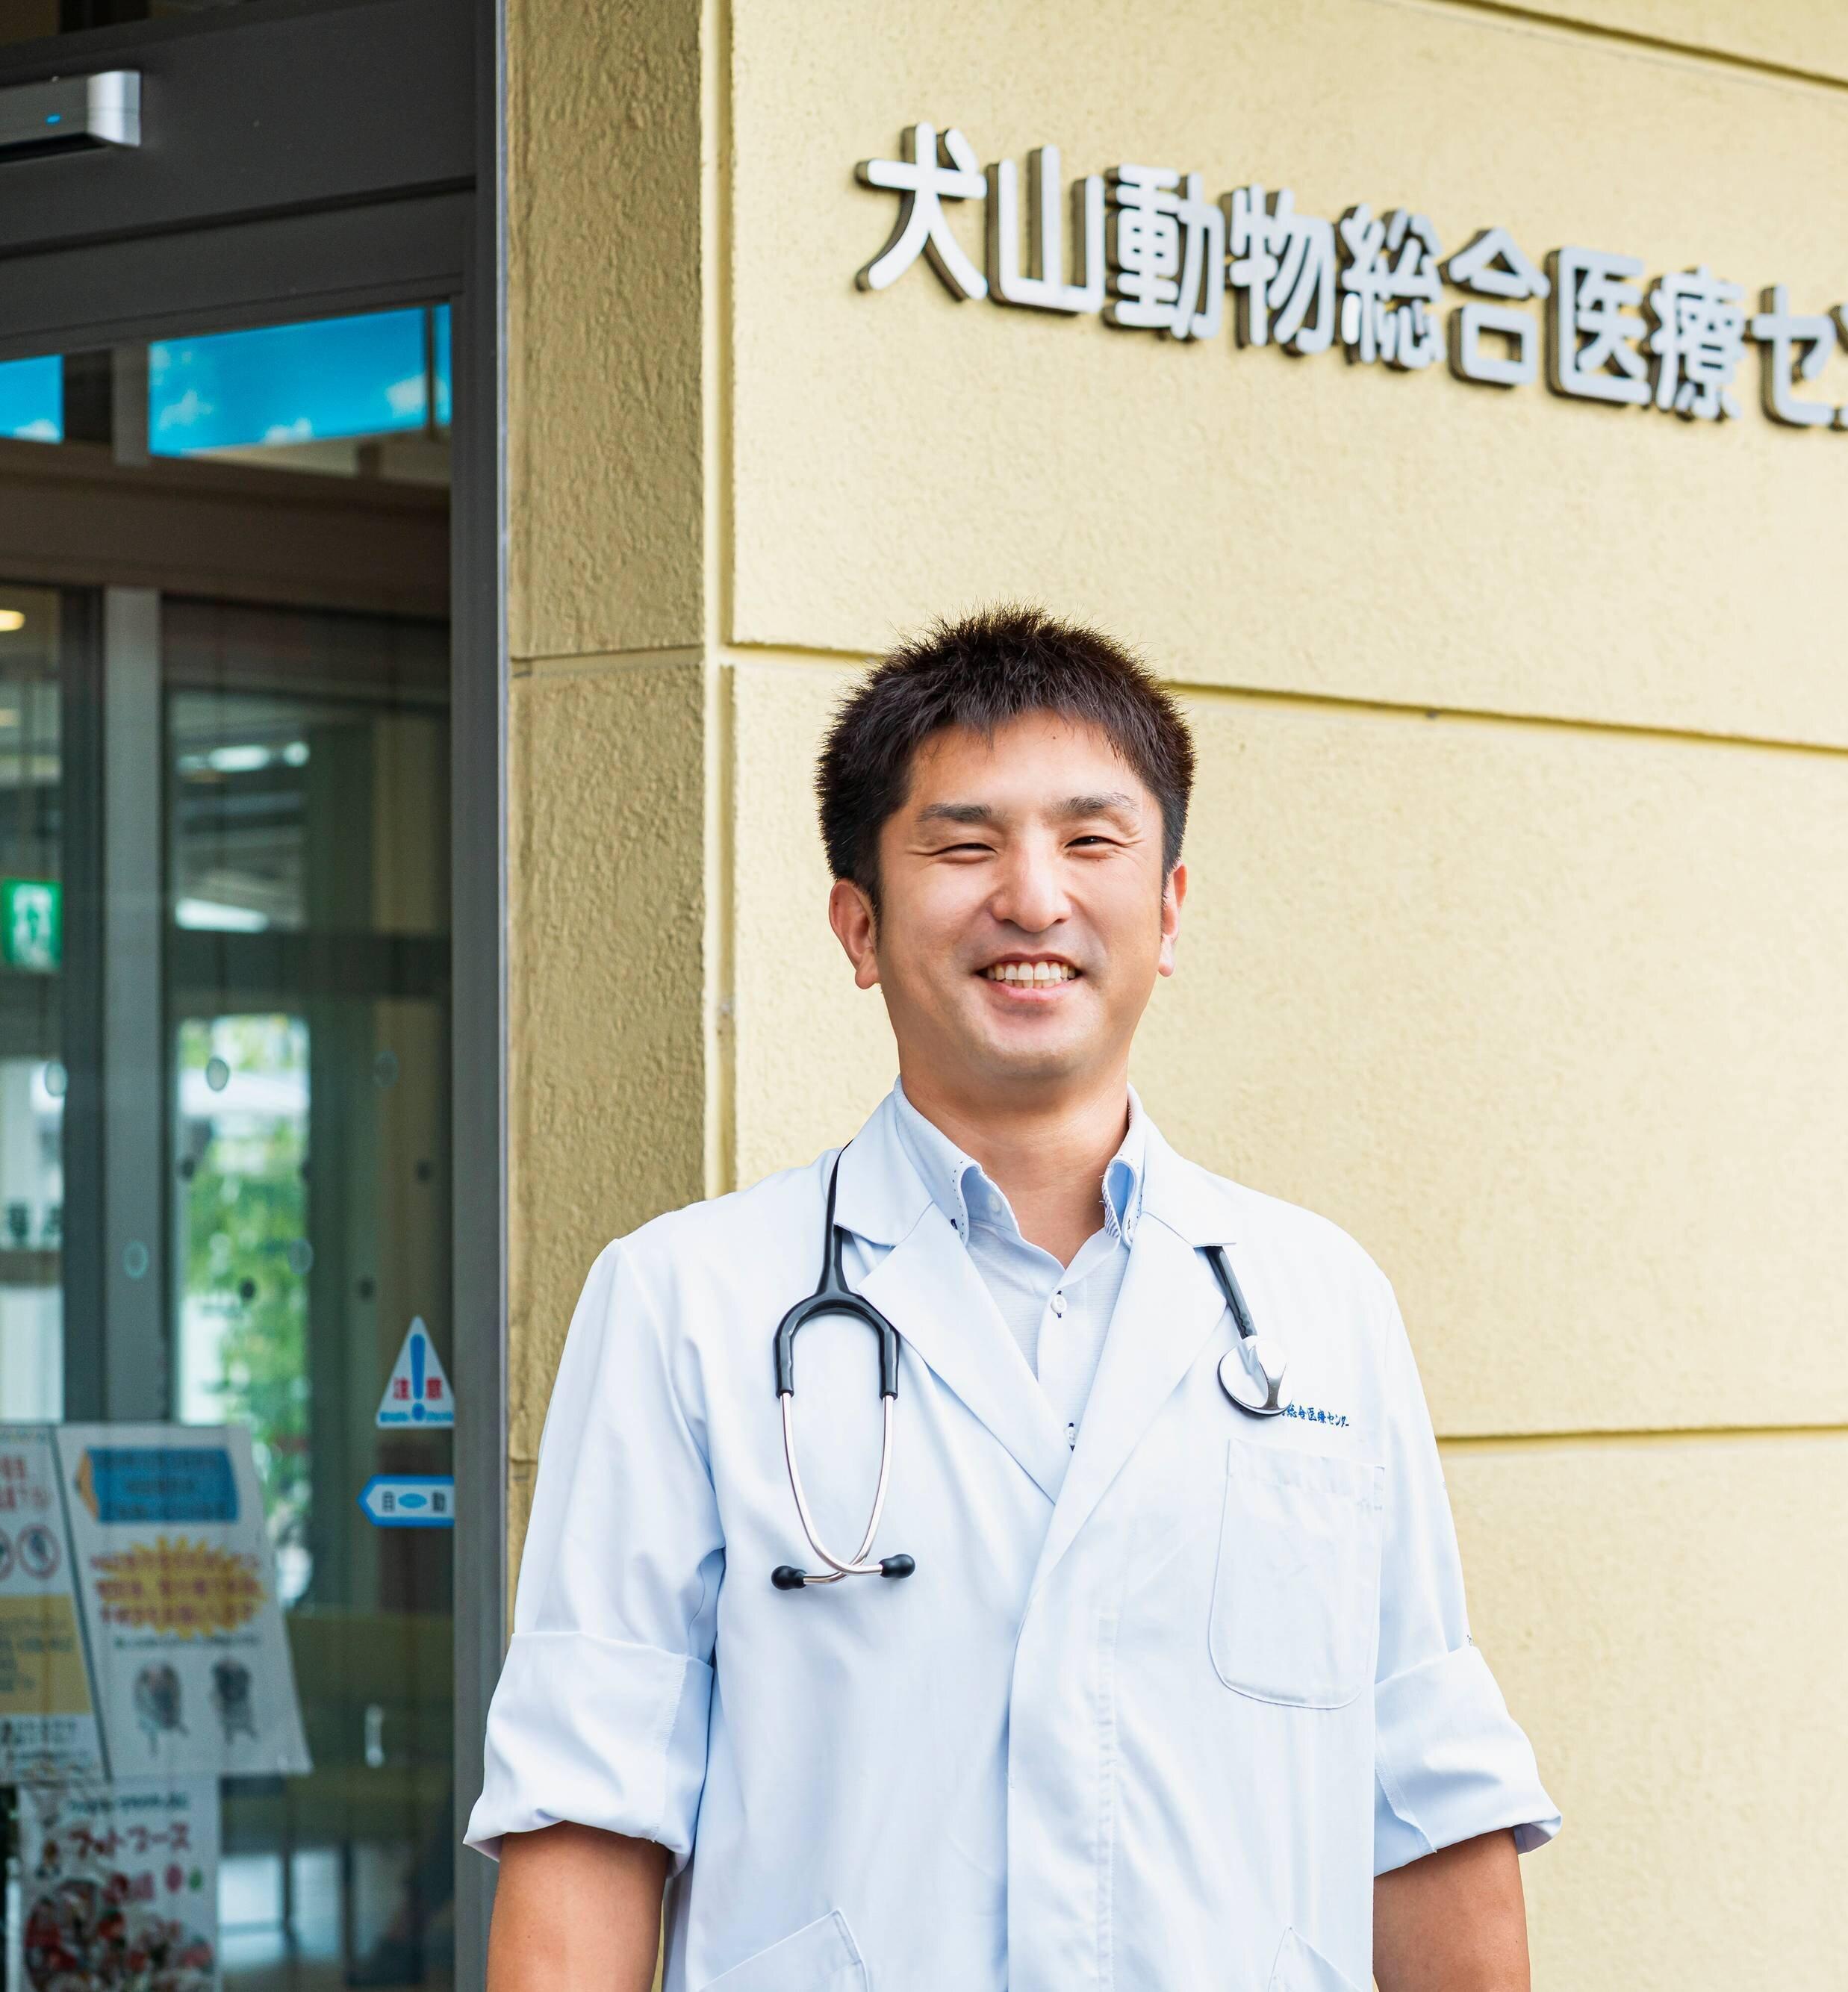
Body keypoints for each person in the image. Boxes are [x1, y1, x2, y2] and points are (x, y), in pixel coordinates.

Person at [469, 611, 1558, 1991]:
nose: (1035, 899)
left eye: (1092, 841)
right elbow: (588, 1808)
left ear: (1169, 912)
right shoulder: (685, 1301)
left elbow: (1429, 1800)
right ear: (859, 926)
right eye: (964, 846)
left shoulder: (1318, 1301)